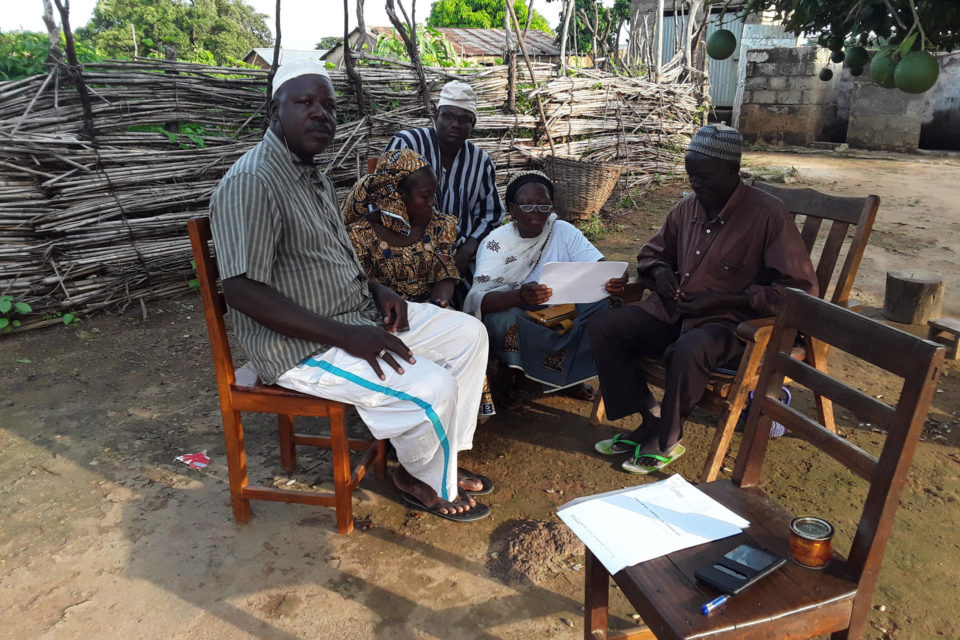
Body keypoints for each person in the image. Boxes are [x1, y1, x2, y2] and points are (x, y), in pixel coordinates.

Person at [209, 59, 492, 522]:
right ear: (275, 110)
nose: (320, 113)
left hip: (355, 315)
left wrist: (377, 289)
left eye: (328, 105)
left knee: (468, 334)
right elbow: (242, 290)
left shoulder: (312, 175)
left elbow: (334, 259)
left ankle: (440, 463)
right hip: (301, 345)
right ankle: (424, 479)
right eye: (305, 102)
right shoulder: (254, 181)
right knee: (433, 385)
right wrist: (347, 336)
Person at [589, 124, 818, 474]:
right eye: (691, 175)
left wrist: (725, 301)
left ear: (732, 170)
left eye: (705, 177)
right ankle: (650, 418)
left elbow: (798, 291)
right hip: (675, 313)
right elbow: (652, 254)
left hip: (732, 326)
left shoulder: (767, 215)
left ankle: (667, 436)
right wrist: (660, 273)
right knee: (606, 326)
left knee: (688, 349)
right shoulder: (687, 208)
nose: (696, 184)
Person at [342, 147, 496, 418]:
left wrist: (439, 302)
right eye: (425, 196)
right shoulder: (361, 234)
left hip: (431, 309)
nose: (433, 202)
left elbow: (444, 271)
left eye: (434, 194)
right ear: (396, 196)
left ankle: (456, 417)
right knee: (410, 372)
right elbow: (361, 287)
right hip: (385, 320)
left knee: (463, 337)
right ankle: (410, 419)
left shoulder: (439, 225)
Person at [463, 170, 628, 410]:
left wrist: (616, 277)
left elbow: (602, 266)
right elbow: (480, 301)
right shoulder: (496, 243)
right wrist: (520, 296)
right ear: (512, 209)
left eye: (543, 205)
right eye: (527, 205)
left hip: (564, 308)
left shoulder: (562, 230)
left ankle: (567, 379)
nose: (536, 212)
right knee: (502, 320)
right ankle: (520, 382)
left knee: (607, 305)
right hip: (522, 311)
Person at [385, 80, 505, 302]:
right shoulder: (408, 144)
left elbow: (491, 214)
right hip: (408, 249)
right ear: (436, 116)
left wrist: (466, 251)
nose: (455, 124)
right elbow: (385, 198)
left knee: (484, 299)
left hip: (462, 258)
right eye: (448, 116)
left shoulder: (481, 162)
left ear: (473, 124)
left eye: (464, 119)